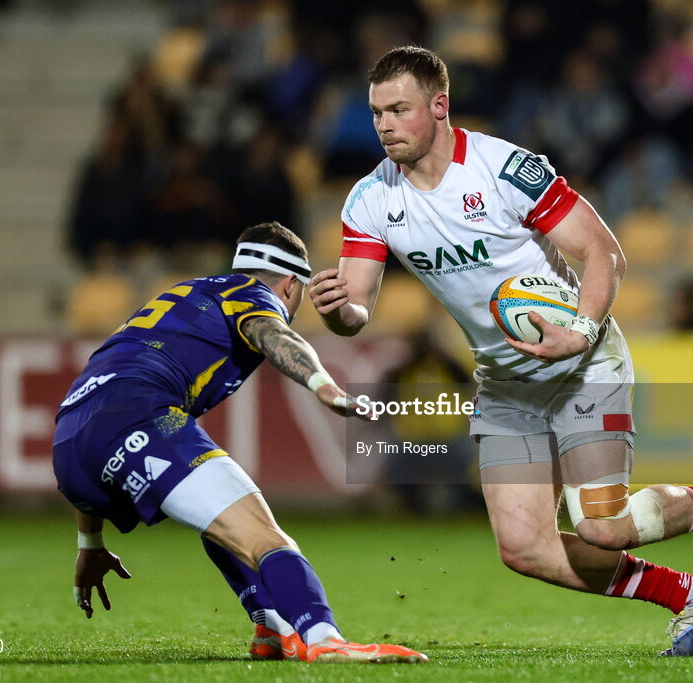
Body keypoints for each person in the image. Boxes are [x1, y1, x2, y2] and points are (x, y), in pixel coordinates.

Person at [309, 47, 693, 657]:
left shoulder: (504, 169)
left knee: (604, 528)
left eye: (398, 109)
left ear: (439, 106)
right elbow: (357, 306)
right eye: (377, 111)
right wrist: (339, 310)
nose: (383, 124)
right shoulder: (369, 198)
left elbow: (603, 253)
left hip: (582, 362)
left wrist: (583, 332)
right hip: (505, 381)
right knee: (524, 548)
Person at [53, 221, 427, 664]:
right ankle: (324, 639)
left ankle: (270, 624)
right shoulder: (251, 294)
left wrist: (89, 544)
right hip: (140, 414)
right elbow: (273, 334)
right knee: (265, 537)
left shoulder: (188, 293)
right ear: (290, 284)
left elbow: (100, 413)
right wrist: (323, 385)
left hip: (69, 436)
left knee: (223, 517)